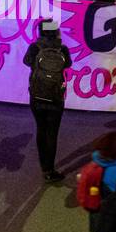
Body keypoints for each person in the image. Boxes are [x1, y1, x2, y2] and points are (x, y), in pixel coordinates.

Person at [23, 18, 72, 181]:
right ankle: (50, 170)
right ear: (56, 31)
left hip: (37, 96)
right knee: (52, 133)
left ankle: (43, 165)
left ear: (41, 31)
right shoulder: (62, 49)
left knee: (41, 129)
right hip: (56, 97)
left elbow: (26, 62)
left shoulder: (34, 47)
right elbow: (68, 65)